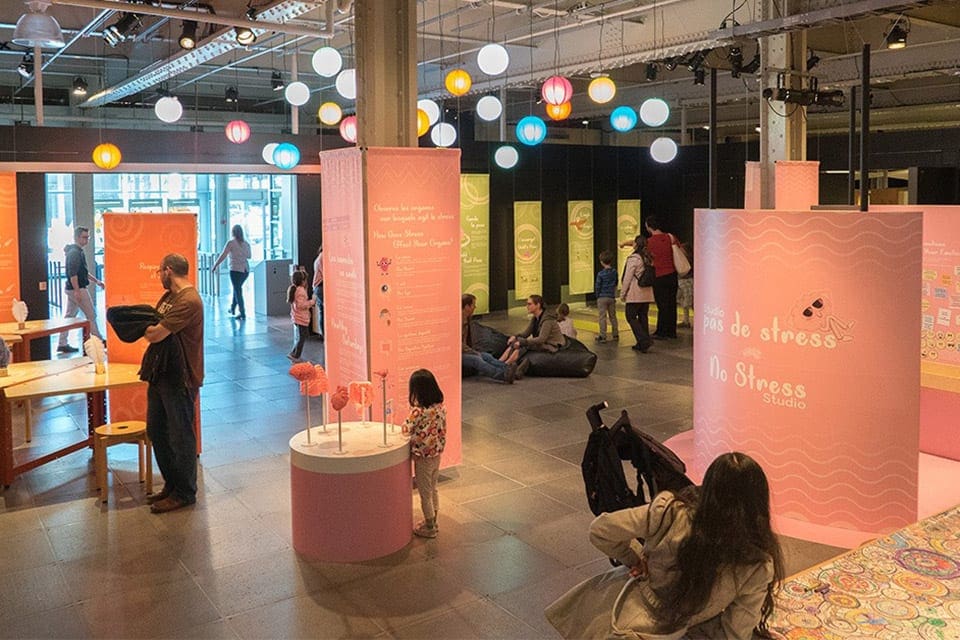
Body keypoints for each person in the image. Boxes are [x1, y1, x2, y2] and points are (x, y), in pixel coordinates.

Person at [546, 452, 785, 640]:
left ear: (708, 488)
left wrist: (635, 559)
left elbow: (600, 530)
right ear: (759, 503)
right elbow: (734, 634)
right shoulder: (757, 565)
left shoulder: (670, 512)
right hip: (672, 630)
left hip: (620, 615)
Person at [143, 254, 204, 514]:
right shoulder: (170, 298)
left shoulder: (189, 300)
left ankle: (184, 492)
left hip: (181, 377)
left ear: (168, 270)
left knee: (181, 436)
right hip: (162, 373)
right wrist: (148, 327)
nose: (159, 276)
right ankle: (173, 483)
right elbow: (155, 326)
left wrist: (143, 328)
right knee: (156, 429)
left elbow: (155, 332)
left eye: (159, 271)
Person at [402, 369, 446, 539]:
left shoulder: (418, 412)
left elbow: (406, 428)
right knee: (433, 489)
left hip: (423, 458)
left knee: (424, 494)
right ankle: (433, 520)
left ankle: (430, 527)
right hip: (436, 455)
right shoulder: (440, 408)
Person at [57, 226, 106, 353]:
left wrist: (97, 281)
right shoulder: (75, 253)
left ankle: (62, 343)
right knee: (91, 314)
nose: (87, 240)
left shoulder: (75, 252)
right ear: (77, 237)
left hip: (73, 288)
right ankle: (98, 340)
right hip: (77, 288)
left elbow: (82, 272)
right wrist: (77, 290)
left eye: (88, 237)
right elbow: (73, 274)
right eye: (85, 237)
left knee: (69, 316)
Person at [462, 294, 516, 384]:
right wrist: (473, 352)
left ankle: (507, 369)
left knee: (487, 356)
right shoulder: (458, 322)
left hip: (466, 350)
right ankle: (503, 375)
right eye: (473, 305)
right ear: (467, 306)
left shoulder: (467, 320)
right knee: (477, 360)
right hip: (458, 354)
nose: (475, 307)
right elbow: (457, 344)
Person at [500, 295, 565, 367]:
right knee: (515, 344)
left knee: (523, 346)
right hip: (543, 343)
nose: (527, 306)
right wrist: (515, 337)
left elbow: (541, 339)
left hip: (551, 345)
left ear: (538, 305)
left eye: (529, 304)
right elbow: (526, 333)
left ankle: (505, 365)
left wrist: (522, 342)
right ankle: (499, 362)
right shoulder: (535, 318)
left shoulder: (547, 320)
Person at [644, 216, 679, 339]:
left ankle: (662, 331)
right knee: (672, 303)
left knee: (662, 305)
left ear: (648, 227)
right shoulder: (671, 237)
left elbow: (647, 259)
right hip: (673, 274)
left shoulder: (649, 242)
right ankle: (672, 331)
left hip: (659, 275)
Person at [621, 235, 654, 354]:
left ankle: (644, 340)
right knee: (643, 316)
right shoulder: (648, 257)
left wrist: (623, 293)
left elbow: (628, 277)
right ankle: (642, 343)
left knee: (630, 316)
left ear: (636, 244)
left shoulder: (634, 258)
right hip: (647, 292)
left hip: (635, 293)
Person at [211, 224, 251, 319]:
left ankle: (242, 312)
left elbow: (223, 255)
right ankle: (233, 307)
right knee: (237, 288)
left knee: (238, 290)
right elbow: (249, 256)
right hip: (245, 270)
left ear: (233, 232)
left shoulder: (231, 243)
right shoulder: (246, 244)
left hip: (235, 270)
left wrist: (215, 265)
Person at [287, 270, 314, 362]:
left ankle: (293, 353)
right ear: (303, 281)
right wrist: (312, 302)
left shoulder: (295, 289)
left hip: (297, 318)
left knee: (302, 336)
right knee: (302, 338)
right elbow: (301, 305)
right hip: (301, 318)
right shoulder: (301, 291)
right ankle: (296, 355)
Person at [594, 250, 619, 343]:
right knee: (613, 316)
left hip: (602, 297)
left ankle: (603, 335)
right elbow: (616, 282)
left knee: (602, 317)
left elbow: (598, 286)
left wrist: (597, 295)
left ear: (601, 262)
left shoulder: (600, 274)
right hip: (611, 297)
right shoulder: (614, 272)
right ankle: (615, 334)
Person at [312, 245, 324, 339]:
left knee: (322, 312)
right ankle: (325, 335)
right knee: (324, 312)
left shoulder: (319, 257)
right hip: (321, 286)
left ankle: (324, 335)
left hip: (317, 287)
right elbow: (326, 273)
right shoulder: (323, 257)